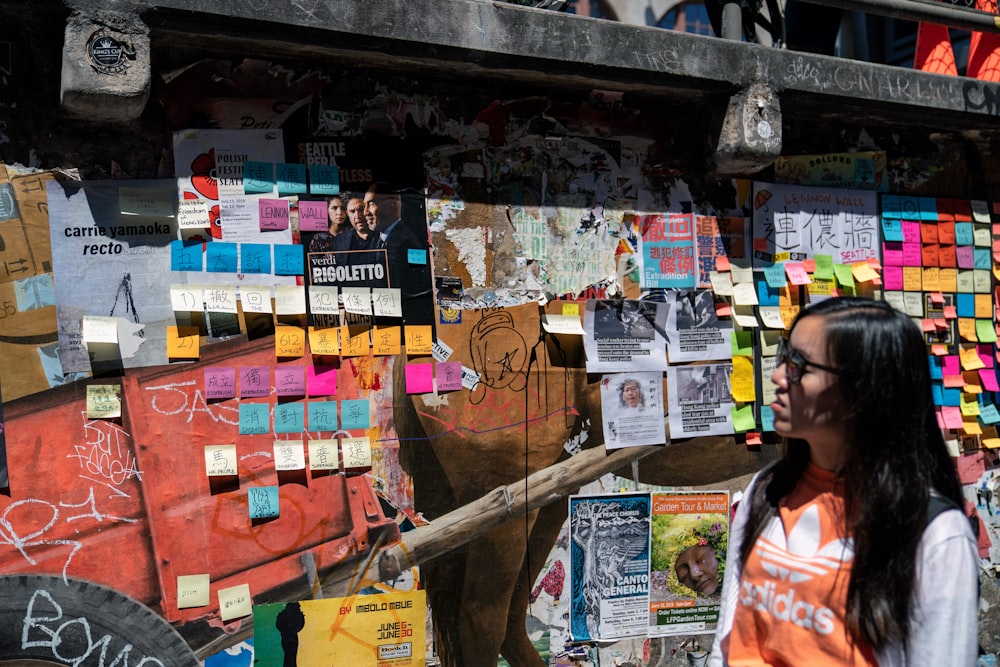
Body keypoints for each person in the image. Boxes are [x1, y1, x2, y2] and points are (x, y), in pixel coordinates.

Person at [710, 297, 978, 666]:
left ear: (863, 391)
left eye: (799, 366)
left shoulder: (931, 532)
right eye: (783, 359)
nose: (777, 377)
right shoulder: (766, 489)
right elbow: (728, 638)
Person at [364, 182, 433, 324]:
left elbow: (418, 285)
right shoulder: (378, 240)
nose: (365, 212)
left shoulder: (408, 242)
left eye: (370, 204)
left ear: (392, 205)